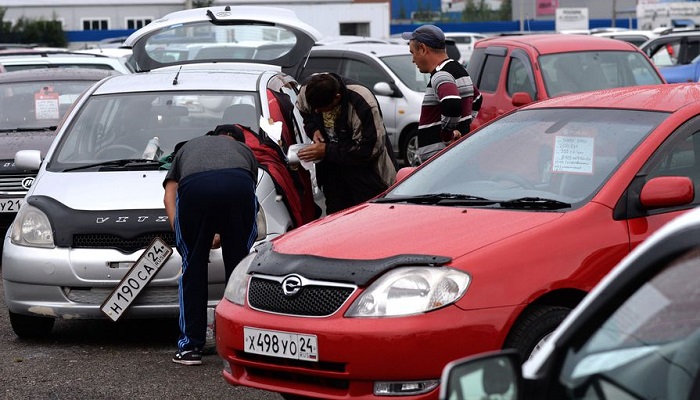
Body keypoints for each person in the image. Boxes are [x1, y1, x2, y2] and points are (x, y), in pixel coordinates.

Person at [163, 124, 259, 366]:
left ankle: (190, 347)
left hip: (196, 188)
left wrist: (188, 239)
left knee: (192, 270)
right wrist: (222, 233)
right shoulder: (243, 151)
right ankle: (244, 346)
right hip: (239, 185)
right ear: (238, 141)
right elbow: (246, 194)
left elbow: (169, 195)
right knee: (240, 269)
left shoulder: (188, 147)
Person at [295, 72, 396, 214]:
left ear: (337, 98)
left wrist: (326, 150)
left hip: (367, 175)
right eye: (315, 109)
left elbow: (369, 150)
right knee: (336, 219)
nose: (317, 112)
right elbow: (304, 111)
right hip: (333, 173)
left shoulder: (362, 102)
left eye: (323, 109)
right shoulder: (307, 91)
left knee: (367, 220)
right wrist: (314, 129)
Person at [402, 24, 482, 165]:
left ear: (423, 49)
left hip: (440, 161)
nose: (413, 60)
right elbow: (477, 98)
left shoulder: (441, 74)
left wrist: (447, 135)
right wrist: (463, 124)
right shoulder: (459, 69)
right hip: (454, 157)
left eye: (412, 53)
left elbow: (451, 103)